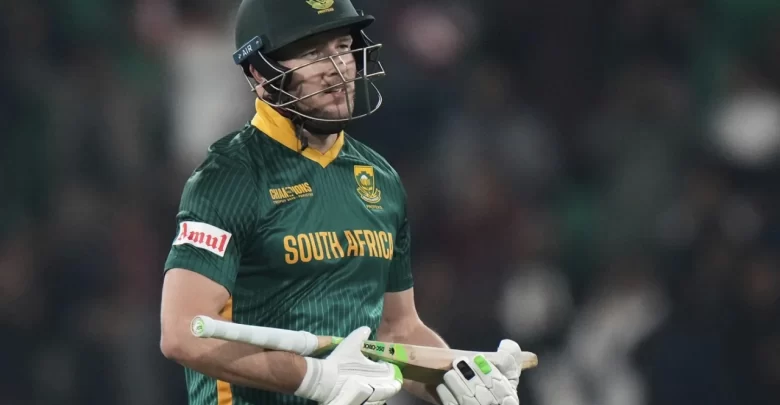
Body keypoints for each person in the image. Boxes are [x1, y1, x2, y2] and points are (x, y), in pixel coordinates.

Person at [159, 1, 525, 404]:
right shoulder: (229, 177)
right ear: (261, 73)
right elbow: (182, 333)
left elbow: (396, 332)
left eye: (341, 46)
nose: (338, 67)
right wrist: (313, 377)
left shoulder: (380, 179)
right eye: (313, 52)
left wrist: (461, 377)